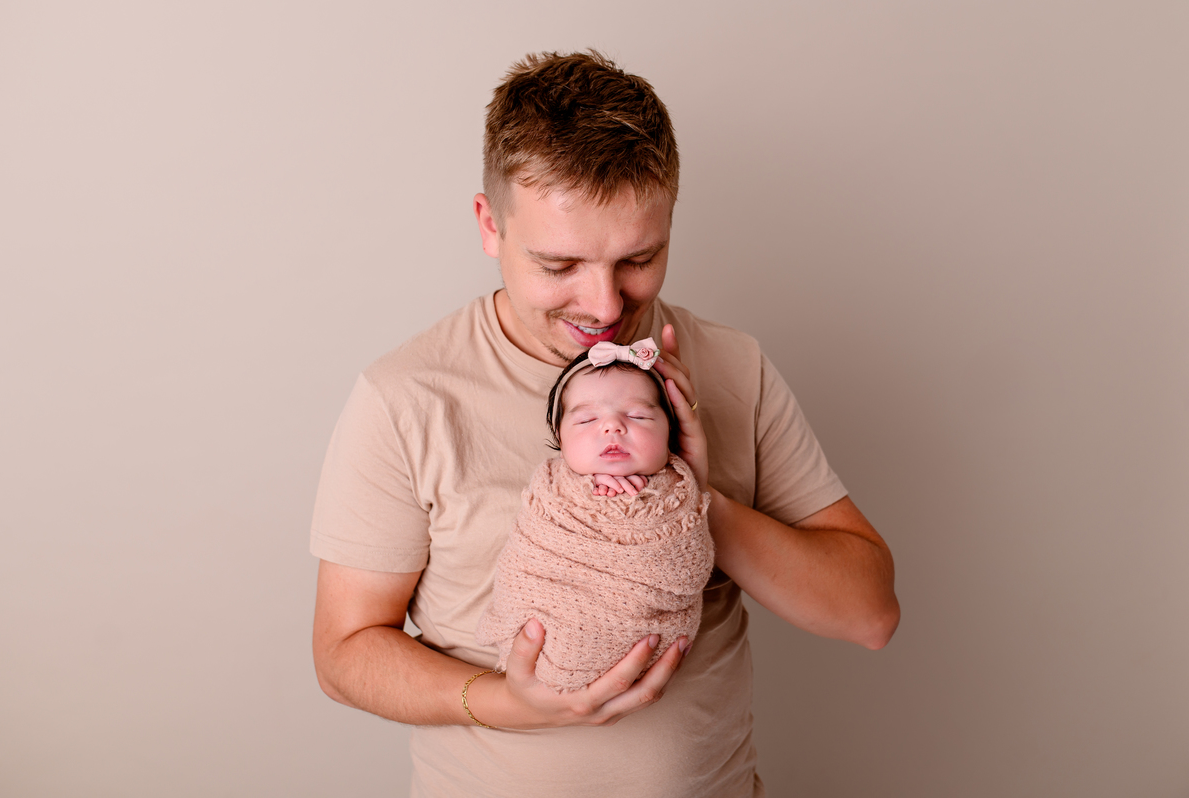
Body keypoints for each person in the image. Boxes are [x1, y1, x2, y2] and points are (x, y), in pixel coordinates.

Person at [310, 50, 899, 797]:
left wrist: (689, 497)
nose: (606, 305)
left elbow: (869, 614)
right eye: (559, 266)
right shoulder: (408, 397)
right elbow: (344, 649)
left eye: (639, 259)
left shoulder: (733, 367)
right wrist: (505, 704)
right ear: (490, 225)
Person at [475, 340, 714, 692]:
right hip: (547, 632)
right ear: (560, 438)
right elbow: (527, 559)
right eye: (587, 419)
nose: (612, 427)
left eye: (638, 416)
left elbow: (688, 565)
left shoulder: (678, 492)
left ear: (671, 433)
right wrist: (584, 490)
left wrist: (681, 484)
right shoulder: (552, 489)